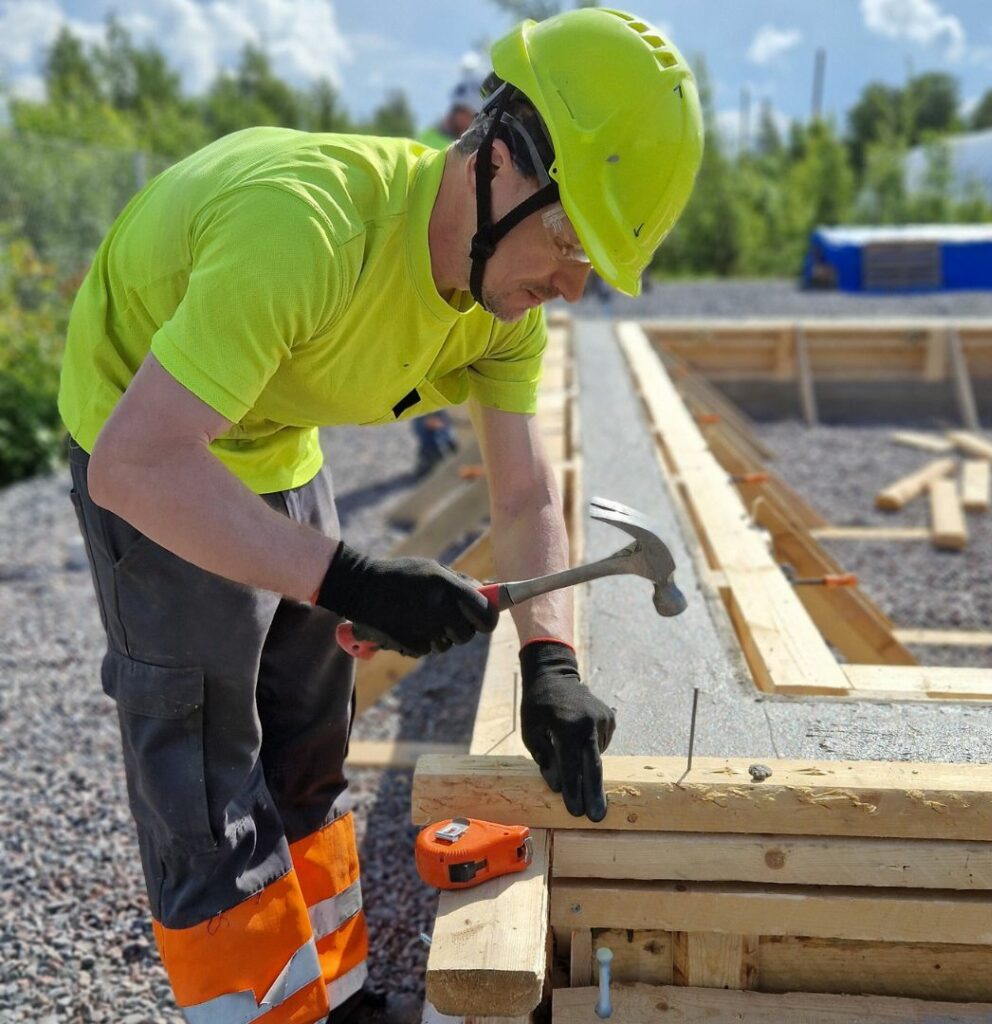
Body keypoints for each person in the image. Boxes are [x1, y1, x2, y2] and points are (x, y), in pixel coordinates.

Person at [57, 7, 703, 1023]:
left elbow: (527, 495)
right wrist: (345, 576)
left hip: (271, 433)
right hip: (147, 440)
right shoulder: (305, 231)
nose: (574, 284)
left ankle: (343, 998)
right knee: (208, 772)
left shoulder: (505, 303)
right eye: (573, 237)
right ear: (500, 161)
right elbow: (137, 465)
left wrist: (552, 666)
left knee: (311, 737)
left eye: (602, 265)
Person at [410, 61, 487, 475]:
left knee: (449, 358)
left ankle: (441, 434)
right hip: (426, 267)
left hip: (460, 263)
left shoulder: (475, 143)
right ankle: (431, 440)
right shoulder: (432, 144)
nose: (468, 121)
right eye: (466, 114)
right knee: (421, 361)